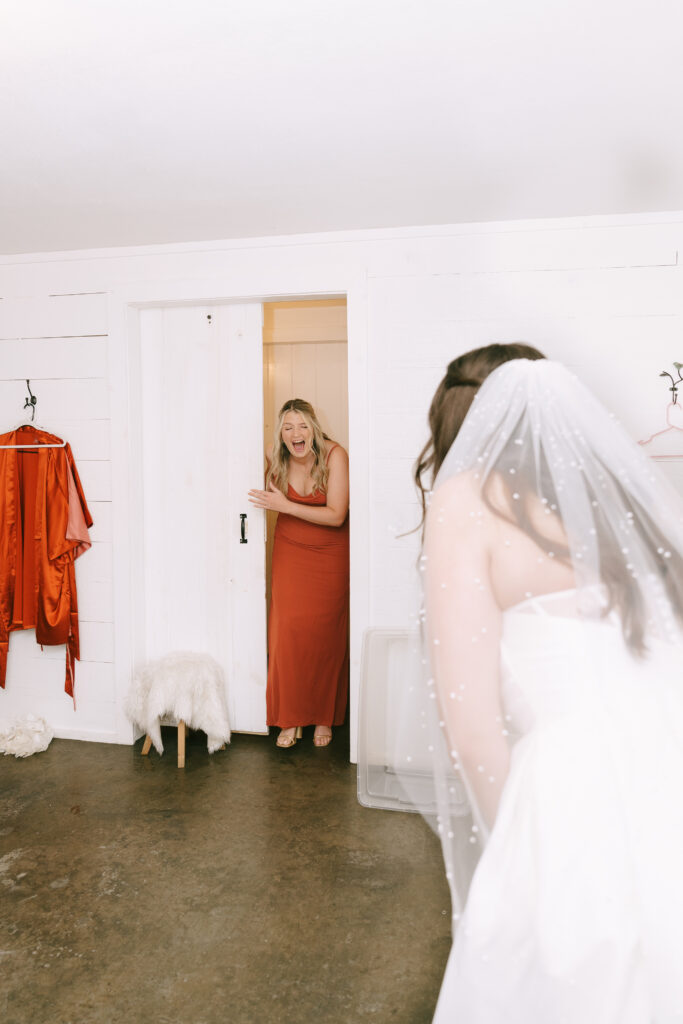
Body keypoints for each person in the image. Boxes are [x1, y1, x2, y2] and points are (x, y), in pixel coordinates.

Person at [404, 344, 683, 1022]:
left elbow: (471, 731)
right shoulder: (612, 498)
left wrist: (516, 849)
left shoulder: (463, 500)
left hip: (570, 791)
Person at [248, 399, 349, 749]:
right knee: (287, 633)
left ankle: (323, 716)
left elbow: (337, 515)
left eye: (302, 425)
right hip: (291, 551)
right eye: (288, 427)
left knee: (324, 635)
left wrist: (285, 506)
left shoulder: (335, 455)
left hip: (331, 555)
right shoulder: (277, 455)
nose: (296, 433)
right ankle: (290, 717)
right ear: (281, 433)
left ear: (314, 429)